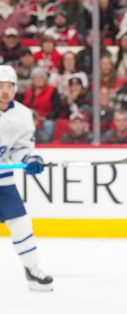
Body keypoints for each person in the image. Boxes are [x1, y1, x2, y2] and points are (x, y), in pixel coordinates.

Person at [0, 65, 53, 291]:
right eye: (0, 86)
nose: (4, 91)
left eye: (9, 86)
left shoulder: (22, 114)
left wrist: (30, 159)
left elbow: (20, 148)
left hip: (3, 181)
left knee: (21, 224)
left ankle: (32, 270)